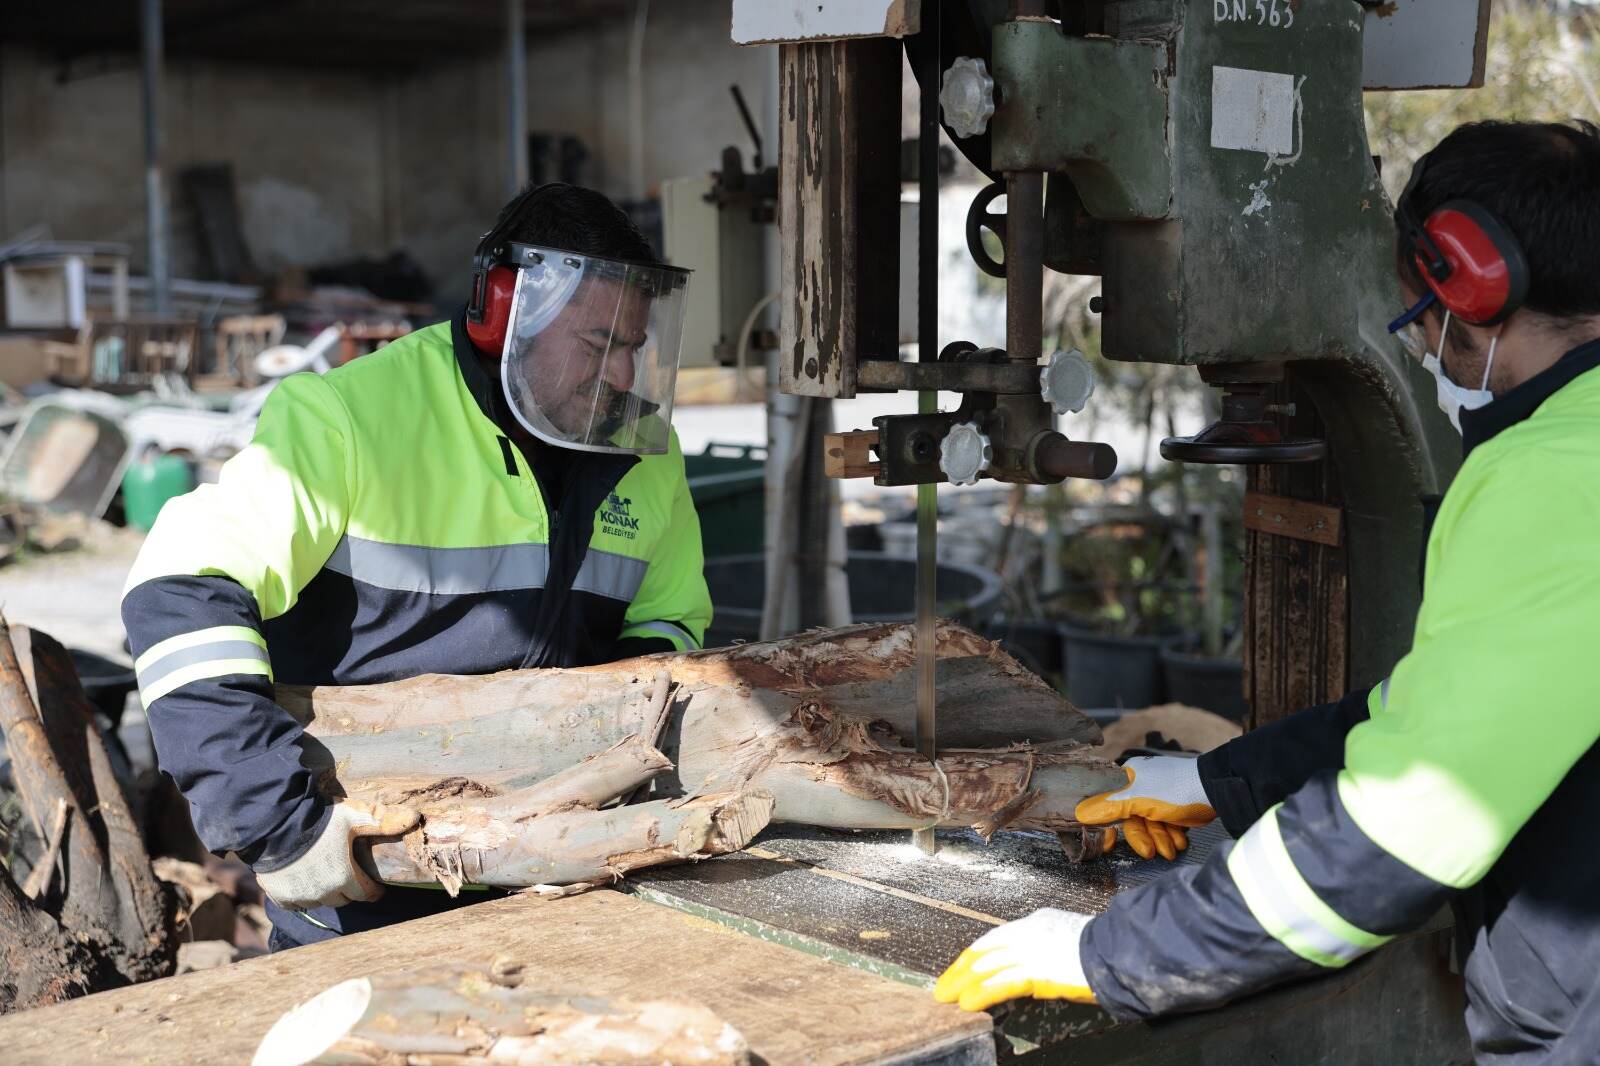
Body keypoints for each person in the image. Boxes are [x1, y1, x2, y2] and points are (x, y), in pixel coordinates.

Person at [935, 119, 1600, 1062]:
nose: (1424, 351)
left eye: (1420, 323)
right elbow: (1483, 707)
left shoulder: (1553, 479)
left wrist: (1115, 951)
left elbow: (1406, 830)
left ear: (1471, 285)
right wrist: (1219, 781)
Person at [120, 184, 711, 950]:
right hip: (369, 877)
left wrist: (619, 783)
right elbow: (179, 592)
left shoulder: (639, 454)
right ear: (503, 311)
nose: (625, 378)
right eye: (601, 346)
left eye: (634, 347)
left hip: (571, 876)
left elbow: (670, 623)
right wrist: (279, 824)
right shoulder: (348, 419)